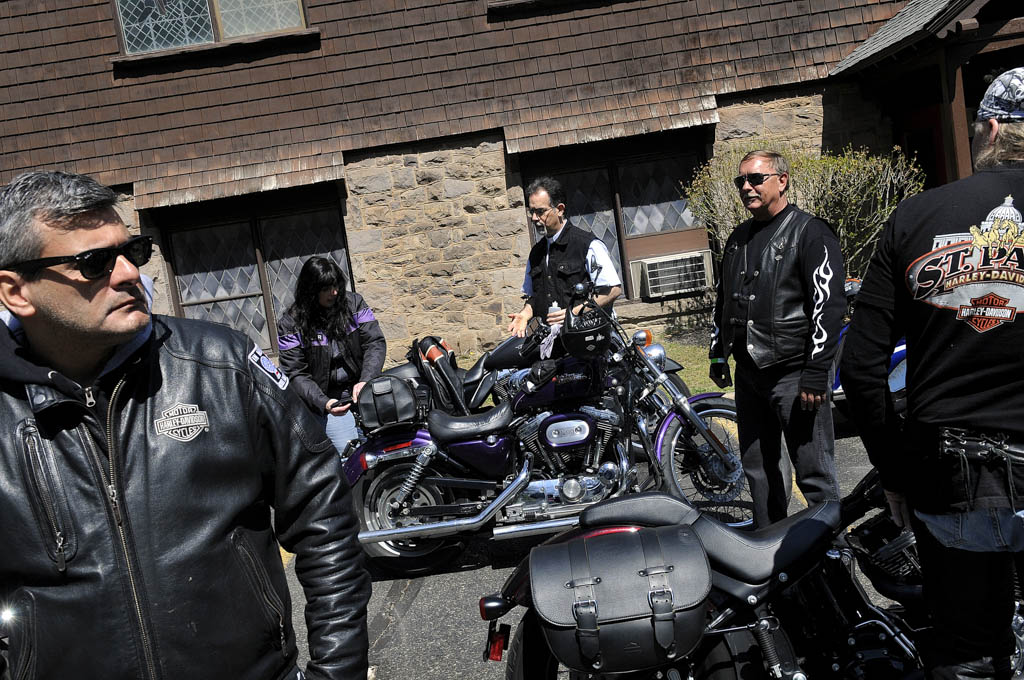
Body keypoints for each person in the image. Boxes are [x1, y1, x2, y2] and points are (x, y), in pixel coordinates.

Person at [0, 171, 370, 680]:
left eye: (133, 250)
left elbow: (323, 515)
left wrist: (338, 670)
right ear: (16, 292)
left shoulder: (222, 363)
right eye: (95, 262)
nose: (129, 273)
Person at [842, 67, 1024, 679]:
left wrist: (894, 472)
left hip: (950, 475)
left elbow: (863, 368)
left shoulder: (917, 217)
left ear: (992, 128)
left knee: (967, 650)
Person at [708, 150, 845, 528]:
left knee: (814, 472)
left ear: (782, 180)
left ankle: (833, 553)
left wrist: (817, 371)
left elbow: (828, 305)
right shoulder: (737, 238)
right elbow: (724, 300)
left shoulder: (810, 231)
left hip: (794, 373)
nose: (747, 187)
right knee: (760, 471)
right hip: (750, 375)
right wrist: (718, 354)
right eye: (741, 181)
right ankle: (769, 552)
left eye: (755, 178)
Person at [276, 257, 386, 456]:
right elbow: (295, 373)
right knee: (350, 453)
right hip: (328, 401)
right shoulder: (290, 324)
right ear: (311, 291)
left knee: (384, 447)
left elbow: (374, 343)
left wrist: (366, 380)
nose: (334, 293)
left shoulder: (355, 304)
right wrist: (324, 403)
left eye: (335, 286)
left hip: (363, 390)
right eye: (326, 289)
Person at [506, 176, 622, 337]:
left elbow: (612, 290)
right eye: (531, 211)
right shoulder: (536, 253)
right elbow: (534, 298)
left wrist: (574, 313)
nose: (534, 218)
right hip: (551, 342)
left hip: (587, 339)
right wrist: (525, 314)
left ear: (559, 209)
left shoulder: (587, 244)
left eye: (540, 212)